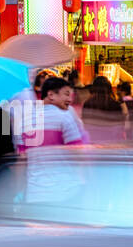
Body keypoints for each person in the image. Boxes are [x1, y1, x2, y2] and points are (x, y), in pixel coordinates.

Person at [18, 76, 87, 205]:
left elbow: (22, 160)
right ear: (50, 95)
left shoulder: (24, 121)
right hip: (66, 192)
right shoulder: (65, 118)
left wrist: (20, 191)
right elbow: (78, 154)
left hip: (35, 194)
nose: (69, 99)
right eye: (66, 94)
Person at [79, 75, 126, 143]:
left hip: (93, 142)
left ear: (94, 88)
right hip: (111, 143)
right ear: (109, 89)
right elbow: (120, 127)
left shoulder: (88, 103)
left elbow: (85, 125)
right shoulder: (115, 104)